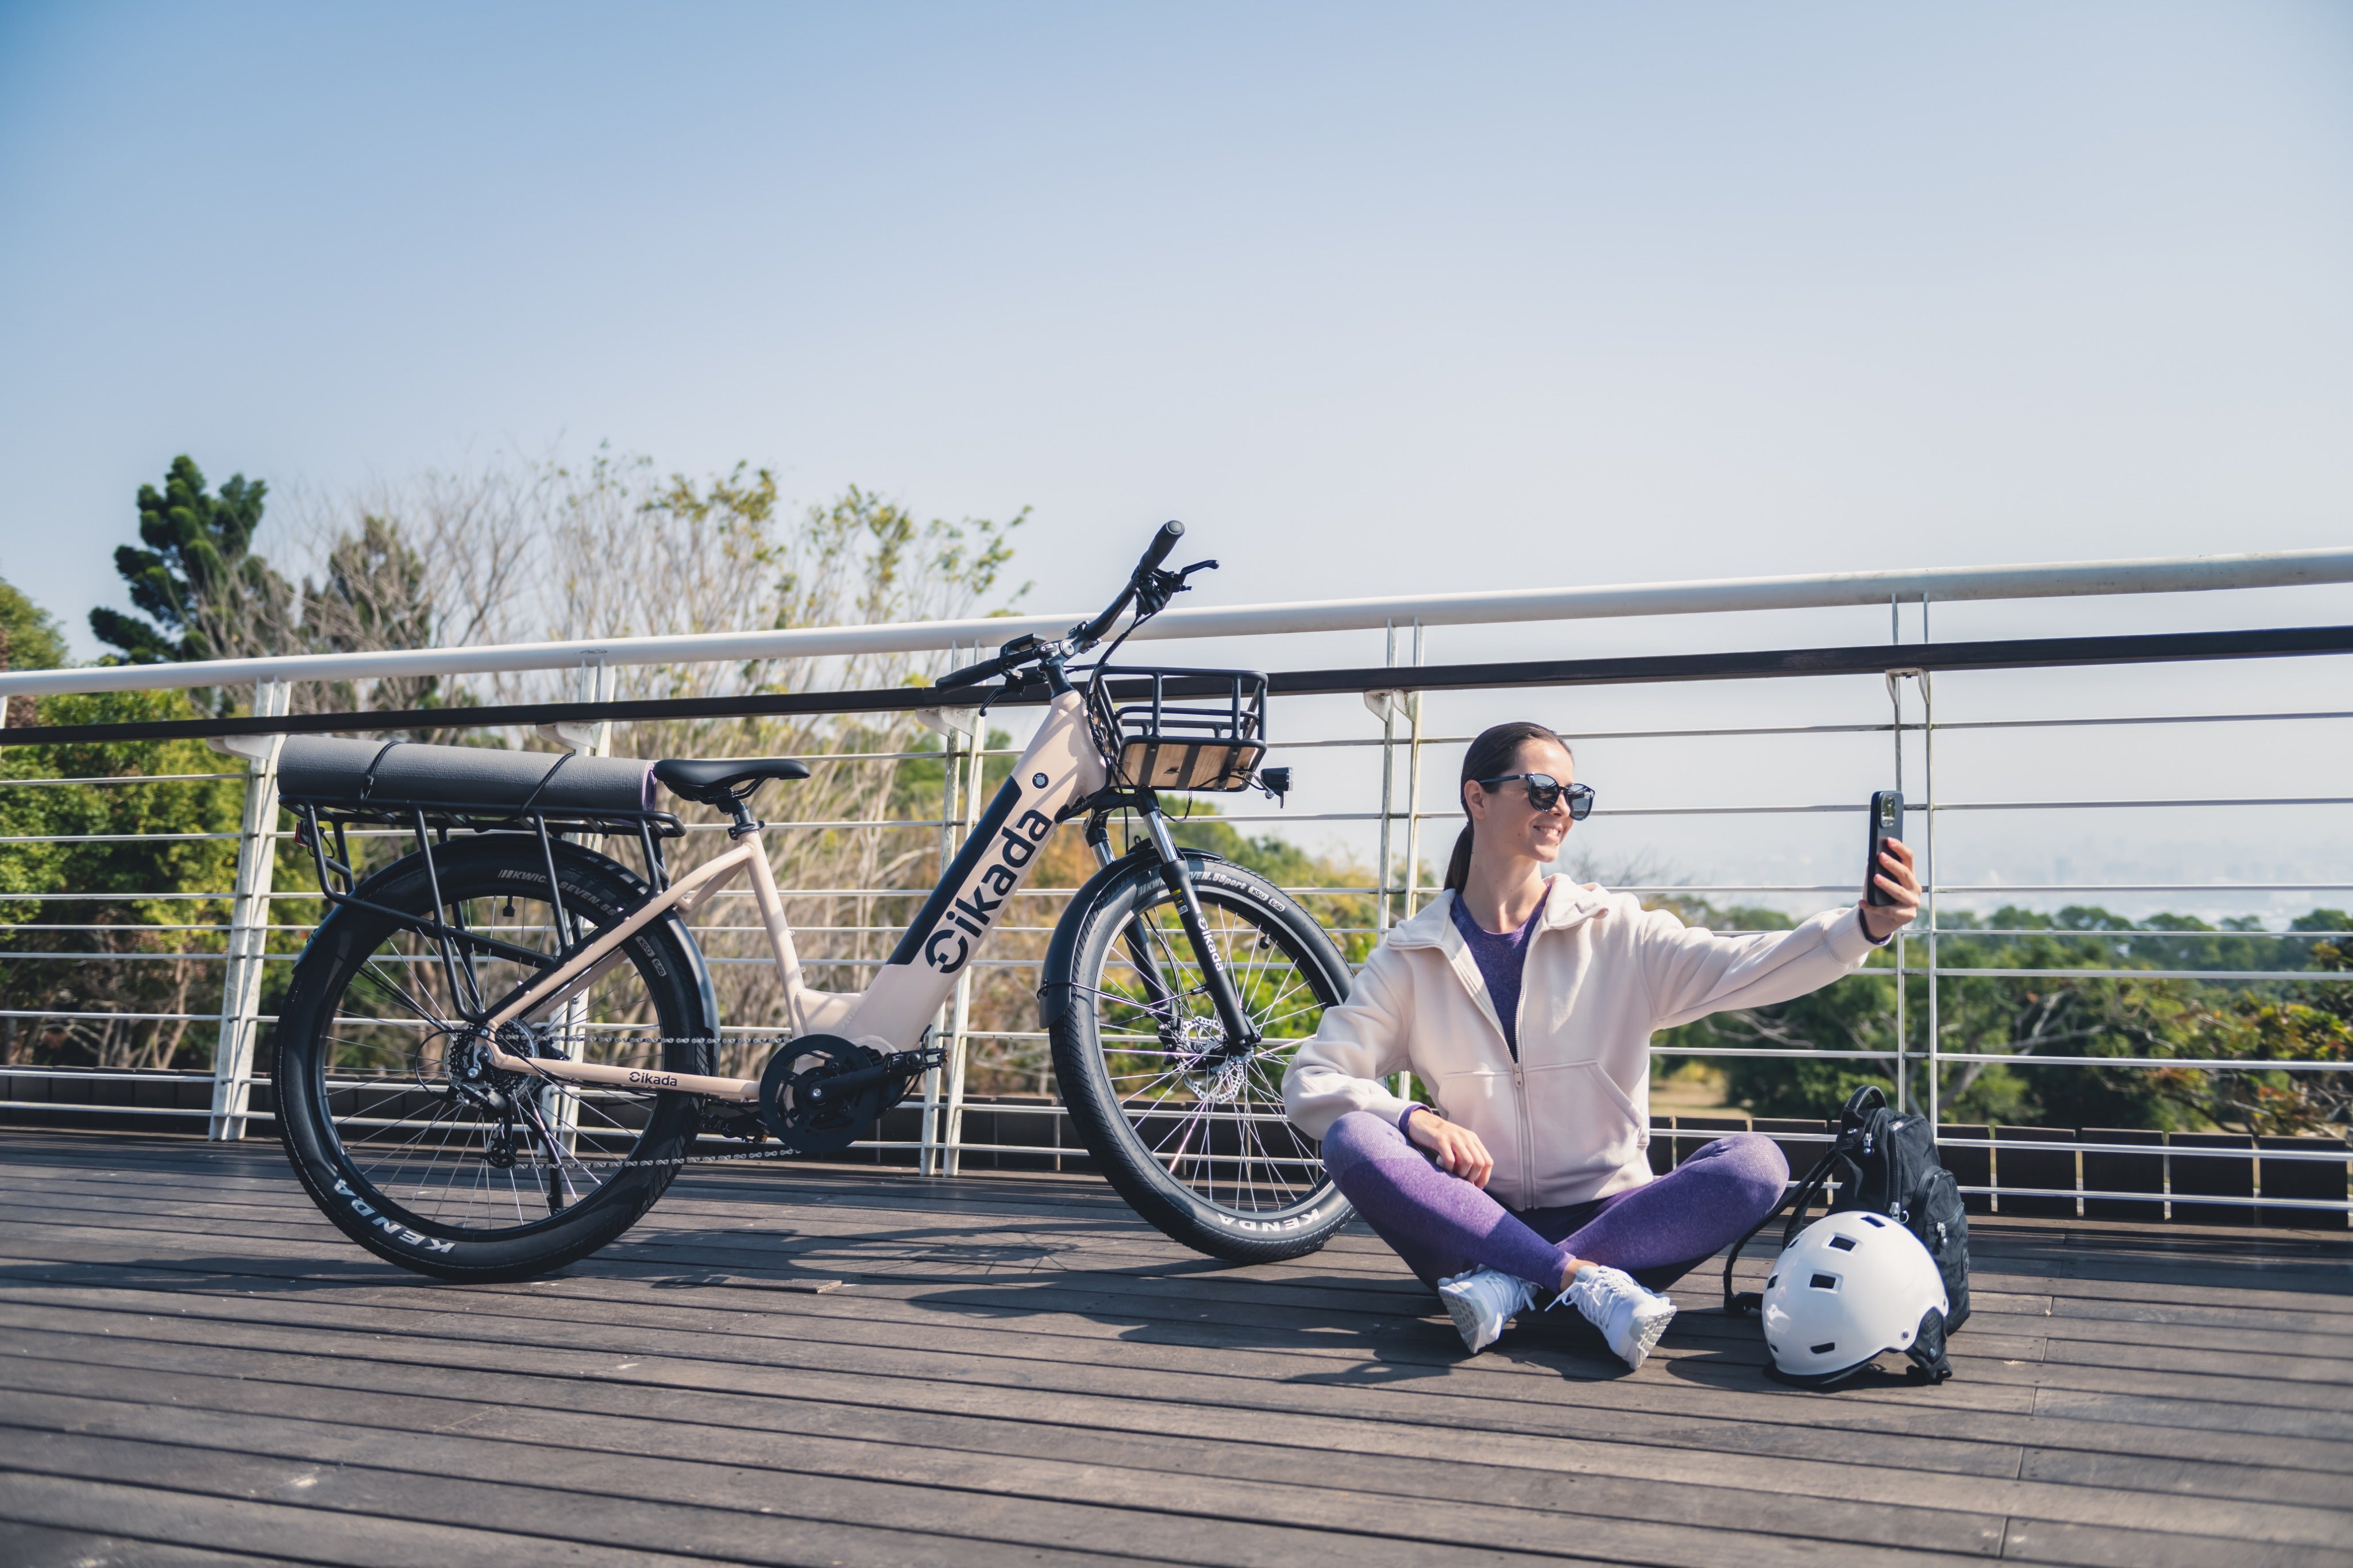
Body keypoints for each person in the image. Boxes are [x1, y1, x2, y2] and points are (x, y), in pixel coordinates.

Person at [1282, 720, 1920, 1368]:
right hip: (1472, 1222)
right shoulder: (1410, 957)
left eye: (1573, 795)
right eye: (1539, 789)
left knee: (1755, 1166)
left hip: (1620, 1225)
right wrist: (1412, 1118)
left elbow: (1748, 965)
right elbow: (1312, 1082)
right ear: (1476, 797)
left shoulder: (1616, 933)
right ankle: (1576, 1284)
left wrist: (1860, 929)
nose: (1560, 808)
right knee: (1353, 1137)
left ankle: (1517, 1286)